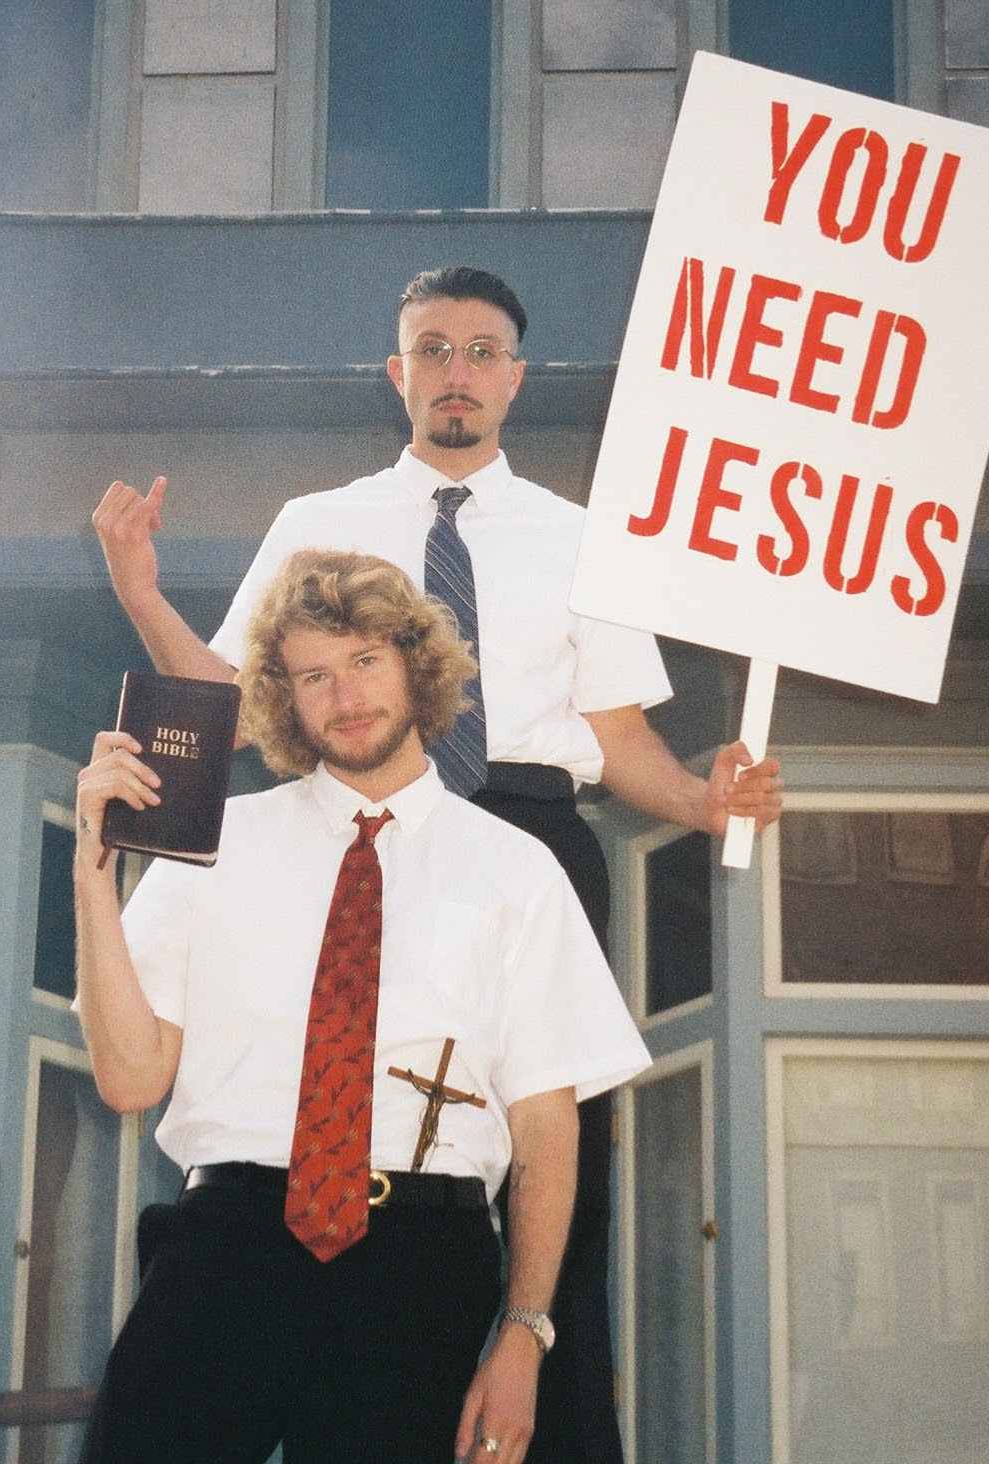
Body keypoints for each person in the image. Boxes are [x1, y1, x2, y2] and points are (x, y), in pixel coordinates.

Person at [93, 265, 783, 1462]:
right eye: (431, 348)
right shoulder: (317, 522)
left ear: (515, 376)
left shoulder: (583, 538)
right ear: (396, 371)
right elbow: (239, 704)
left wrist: (705, 804)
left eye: (480, 350)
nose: (455, 371)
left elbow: (620, 740)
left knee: (552, 1155)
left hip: (523, 837)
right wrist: (143, 600)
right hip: (331, 829)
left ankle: (527, 1414)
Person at [73, 549, 651, 1464]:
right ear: (284, 699)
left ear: (417, 667)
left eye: (366, 661)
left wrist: (525, 1333)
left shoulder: (518, 871)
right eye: (314, 675)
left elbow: (547, 1129)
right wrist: (92, 876)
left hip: (421, 1268)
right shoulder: (215, 842)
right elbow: (128, 1076)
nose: (344, 695)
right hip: (226, 1253)